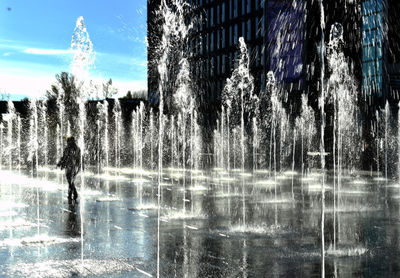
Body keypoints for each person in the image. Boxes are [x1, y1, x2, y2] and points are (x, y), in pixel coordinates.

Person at [57, 137, 82, 202]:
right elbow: (79, 159)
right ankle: (70, 194)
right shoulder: (77, 149)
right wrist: (79, 166)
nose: (68, 143)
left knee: (70, 181)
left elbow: (64, 157)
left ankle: (74, 194)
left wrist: (60, 163)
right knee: (71, 181)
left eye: (68, 141)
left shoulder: (68, 148)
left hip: (69, 166)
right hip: (75, 167)